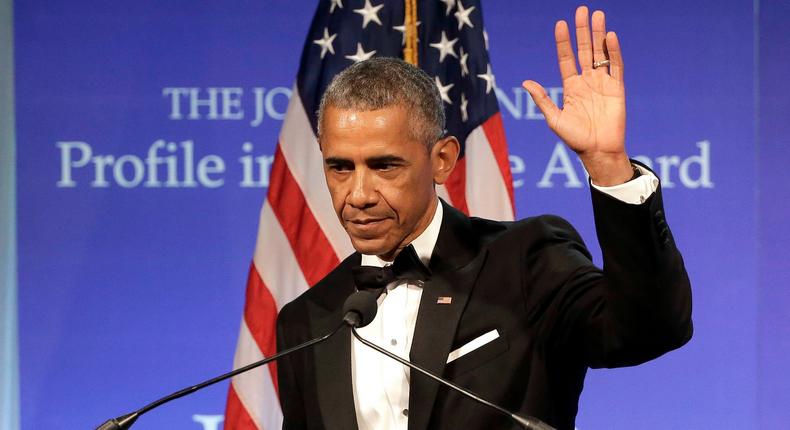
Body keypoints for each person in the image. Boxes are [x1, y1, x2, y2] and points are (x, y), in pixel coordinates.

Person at [275, 6, 692, 430]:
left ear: (442, 160)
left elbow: (650, 329)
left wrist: (609, 166)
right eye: (340, 167)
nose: (358, 195)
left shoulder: (525, 261)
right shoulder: (308, 319)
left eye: (385, 166)